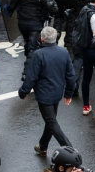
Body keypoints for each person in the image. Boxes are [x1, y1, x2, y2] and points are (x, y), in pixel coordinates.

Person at [19, 27, 75, 157]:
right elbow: (71, 76)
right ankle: (43, 146)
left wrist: (23, 92)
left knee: (51, 123)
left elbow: (31, 77)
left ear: (42, 39)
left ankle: (70, 150)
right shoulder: (64, 52)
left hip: (44, 96)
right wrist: (68, 94)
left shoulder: (39, 54)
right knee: (51, 120)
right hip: (57, 93)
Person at [4, 0, 58, 81]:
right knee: (33, 48)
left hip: (22, 24)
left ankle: (32, 64)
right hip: (35, 25)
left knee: (29, 44)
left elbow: (10, 7)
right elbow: (54, 9)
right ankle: (27, 73)